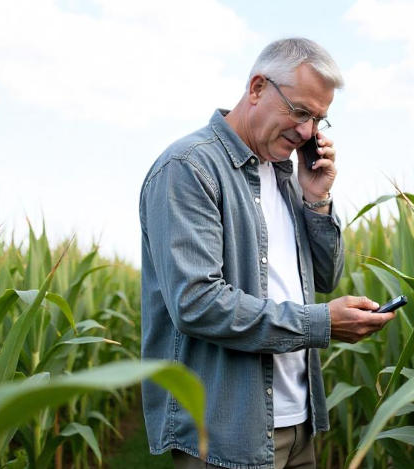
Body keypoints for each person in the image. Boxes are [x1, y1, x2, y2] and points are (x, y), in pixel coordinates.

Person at [139, 38, 396, 468]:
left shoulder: (283, 176)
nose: (307, 132)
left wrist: (315, 197)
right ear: (257, 88)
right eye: (299, 111)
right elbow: (197, 303)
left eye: (318, 119)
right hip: (225, 434)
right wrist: (321, 322)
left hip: (299, 423)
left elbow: (323, 279)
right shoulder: (189, 168)